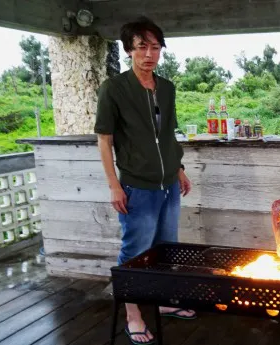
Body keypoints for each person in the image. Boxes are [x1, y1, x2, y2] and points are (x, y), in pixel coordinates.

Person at [94, 16, 195, 345]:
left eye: (155, 47)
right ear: (128, 50)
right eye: (142, 47)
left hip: (168, 184)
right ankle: (133, 315)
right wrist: (114, 184)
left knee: (166, 248)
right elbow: (105, 139)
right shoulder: (114, 89)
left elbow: (167, 134)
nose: (149, 54)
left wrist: (178, 167)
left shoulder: (166, 88)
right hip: (137, 186)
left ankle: (165, 303)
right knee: (136, 252)